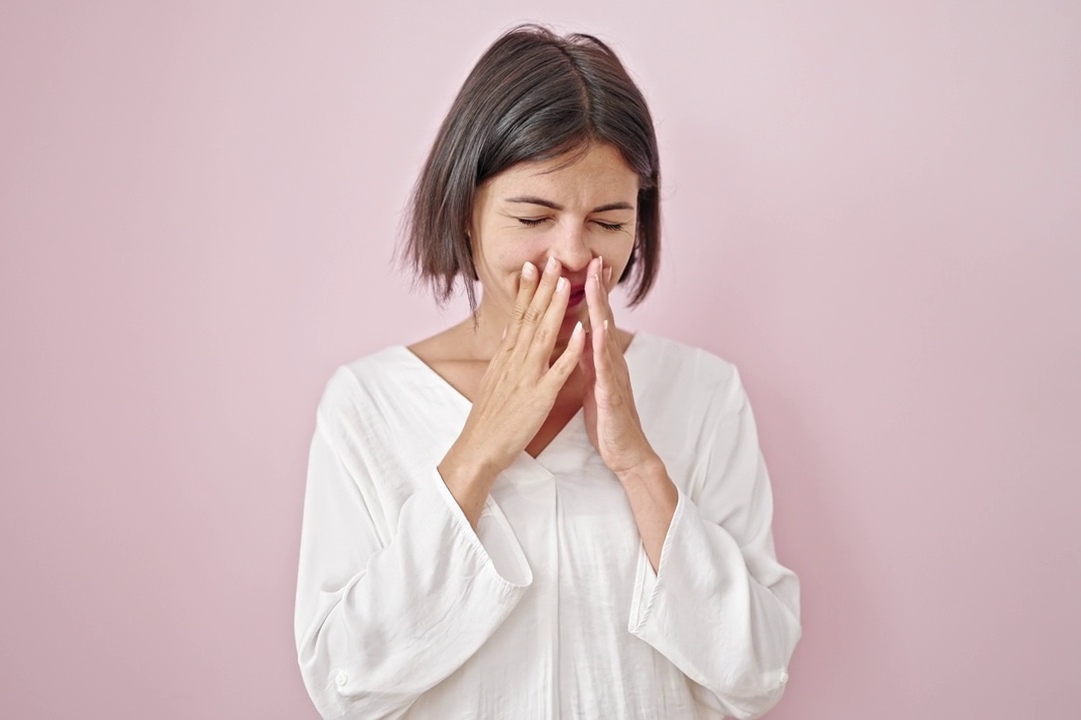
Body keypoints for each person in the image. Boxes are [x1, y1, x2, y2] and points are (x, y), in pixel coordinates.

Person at [294, 24, 802, 720]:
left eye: (609, 221)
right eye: (534, 215)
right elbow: (345, 683)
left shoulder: (705, 394)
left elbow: (755, 674)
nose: (573, 254)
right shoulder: (370, 405)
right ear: (466, 213)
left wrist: (639, 467)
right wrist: (478, 452)